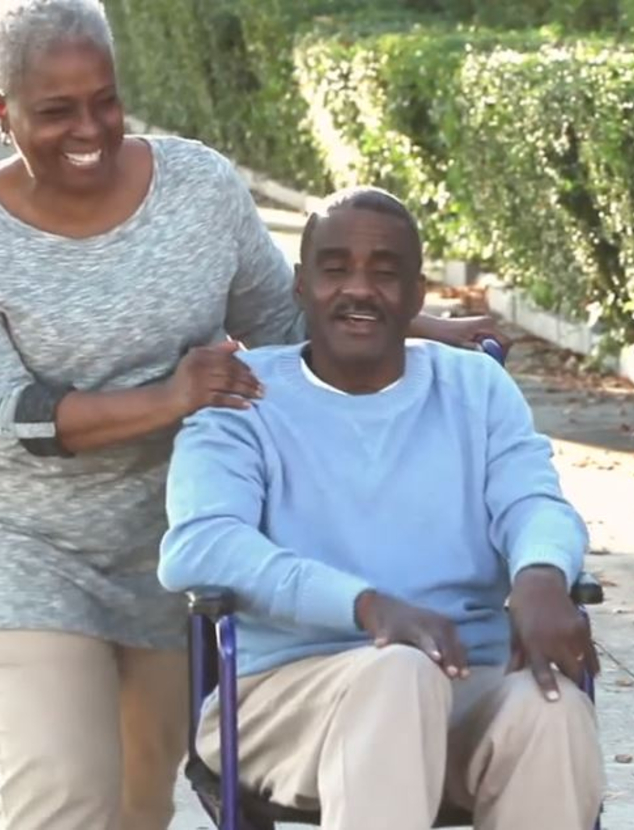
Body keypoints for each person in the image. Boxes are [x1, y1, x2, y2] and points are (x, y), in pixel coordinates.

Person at [0, 1, 507, 829]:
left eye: (106, 100)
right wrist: (169, 396)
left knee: (139, 797)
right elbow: (10, 415)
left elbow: (281, 314)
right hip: (28, 549)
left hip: (181, 535)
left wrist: (425, 327)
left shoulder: (197, 186)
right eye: (56, 110)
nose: (89, 127)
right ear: (2, 112)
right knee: (60, 790)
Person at [161, 186, 604, 830]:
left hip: (466, 682)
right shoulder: (245, 397)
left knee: (552, 708)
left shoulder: (474, 387)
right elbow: (200, 546)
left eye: (386, 272)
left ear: (418, 295)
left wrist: (541, 574)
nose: (359, 289)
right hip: (284, 698)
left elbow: (534, 500)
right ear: (301, 286)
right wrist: (366, 605)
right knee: (397, 673)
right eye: (335, 268)